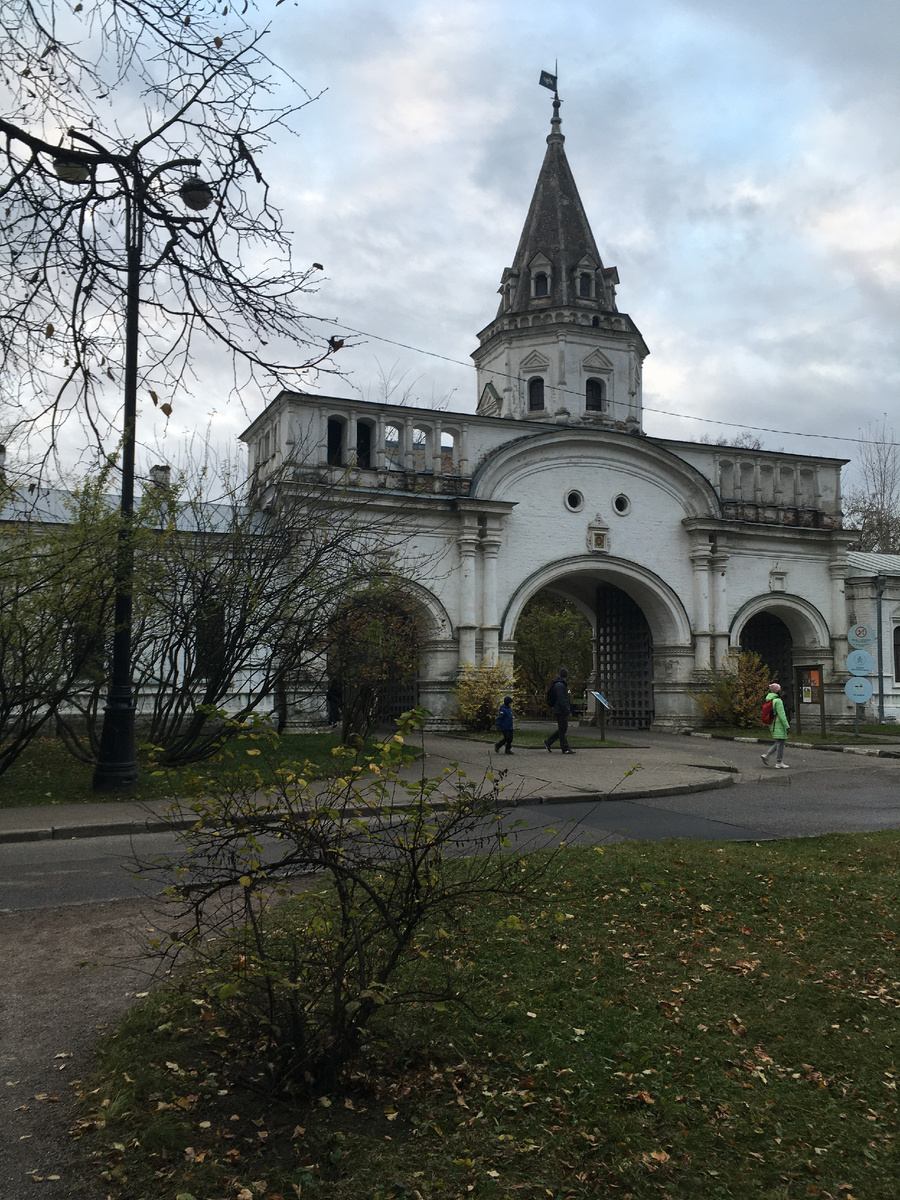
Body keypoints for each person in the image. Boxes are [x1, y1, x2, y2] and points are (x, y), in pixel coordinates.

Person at [544, 668, 575, 754]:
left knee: (562, 729)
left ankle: (549, 742)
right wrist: (567, 710)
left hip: (558, 709)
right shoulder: (560, 685)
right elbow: (562, 700)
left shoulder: (558, 684)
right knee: (563, 728)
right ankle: (564, 747)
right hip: (560, 710)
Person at [760, 681, 790, 768]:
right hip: (779, 725)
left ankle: (767, 755)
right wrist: (787, 726)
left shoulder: (770, 700)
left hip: (773, 724)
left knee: (779, 742)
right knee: (781, 743)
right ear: (778, 691)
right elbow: (782, 715)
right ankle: (779, 762)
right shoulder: (778, 701)